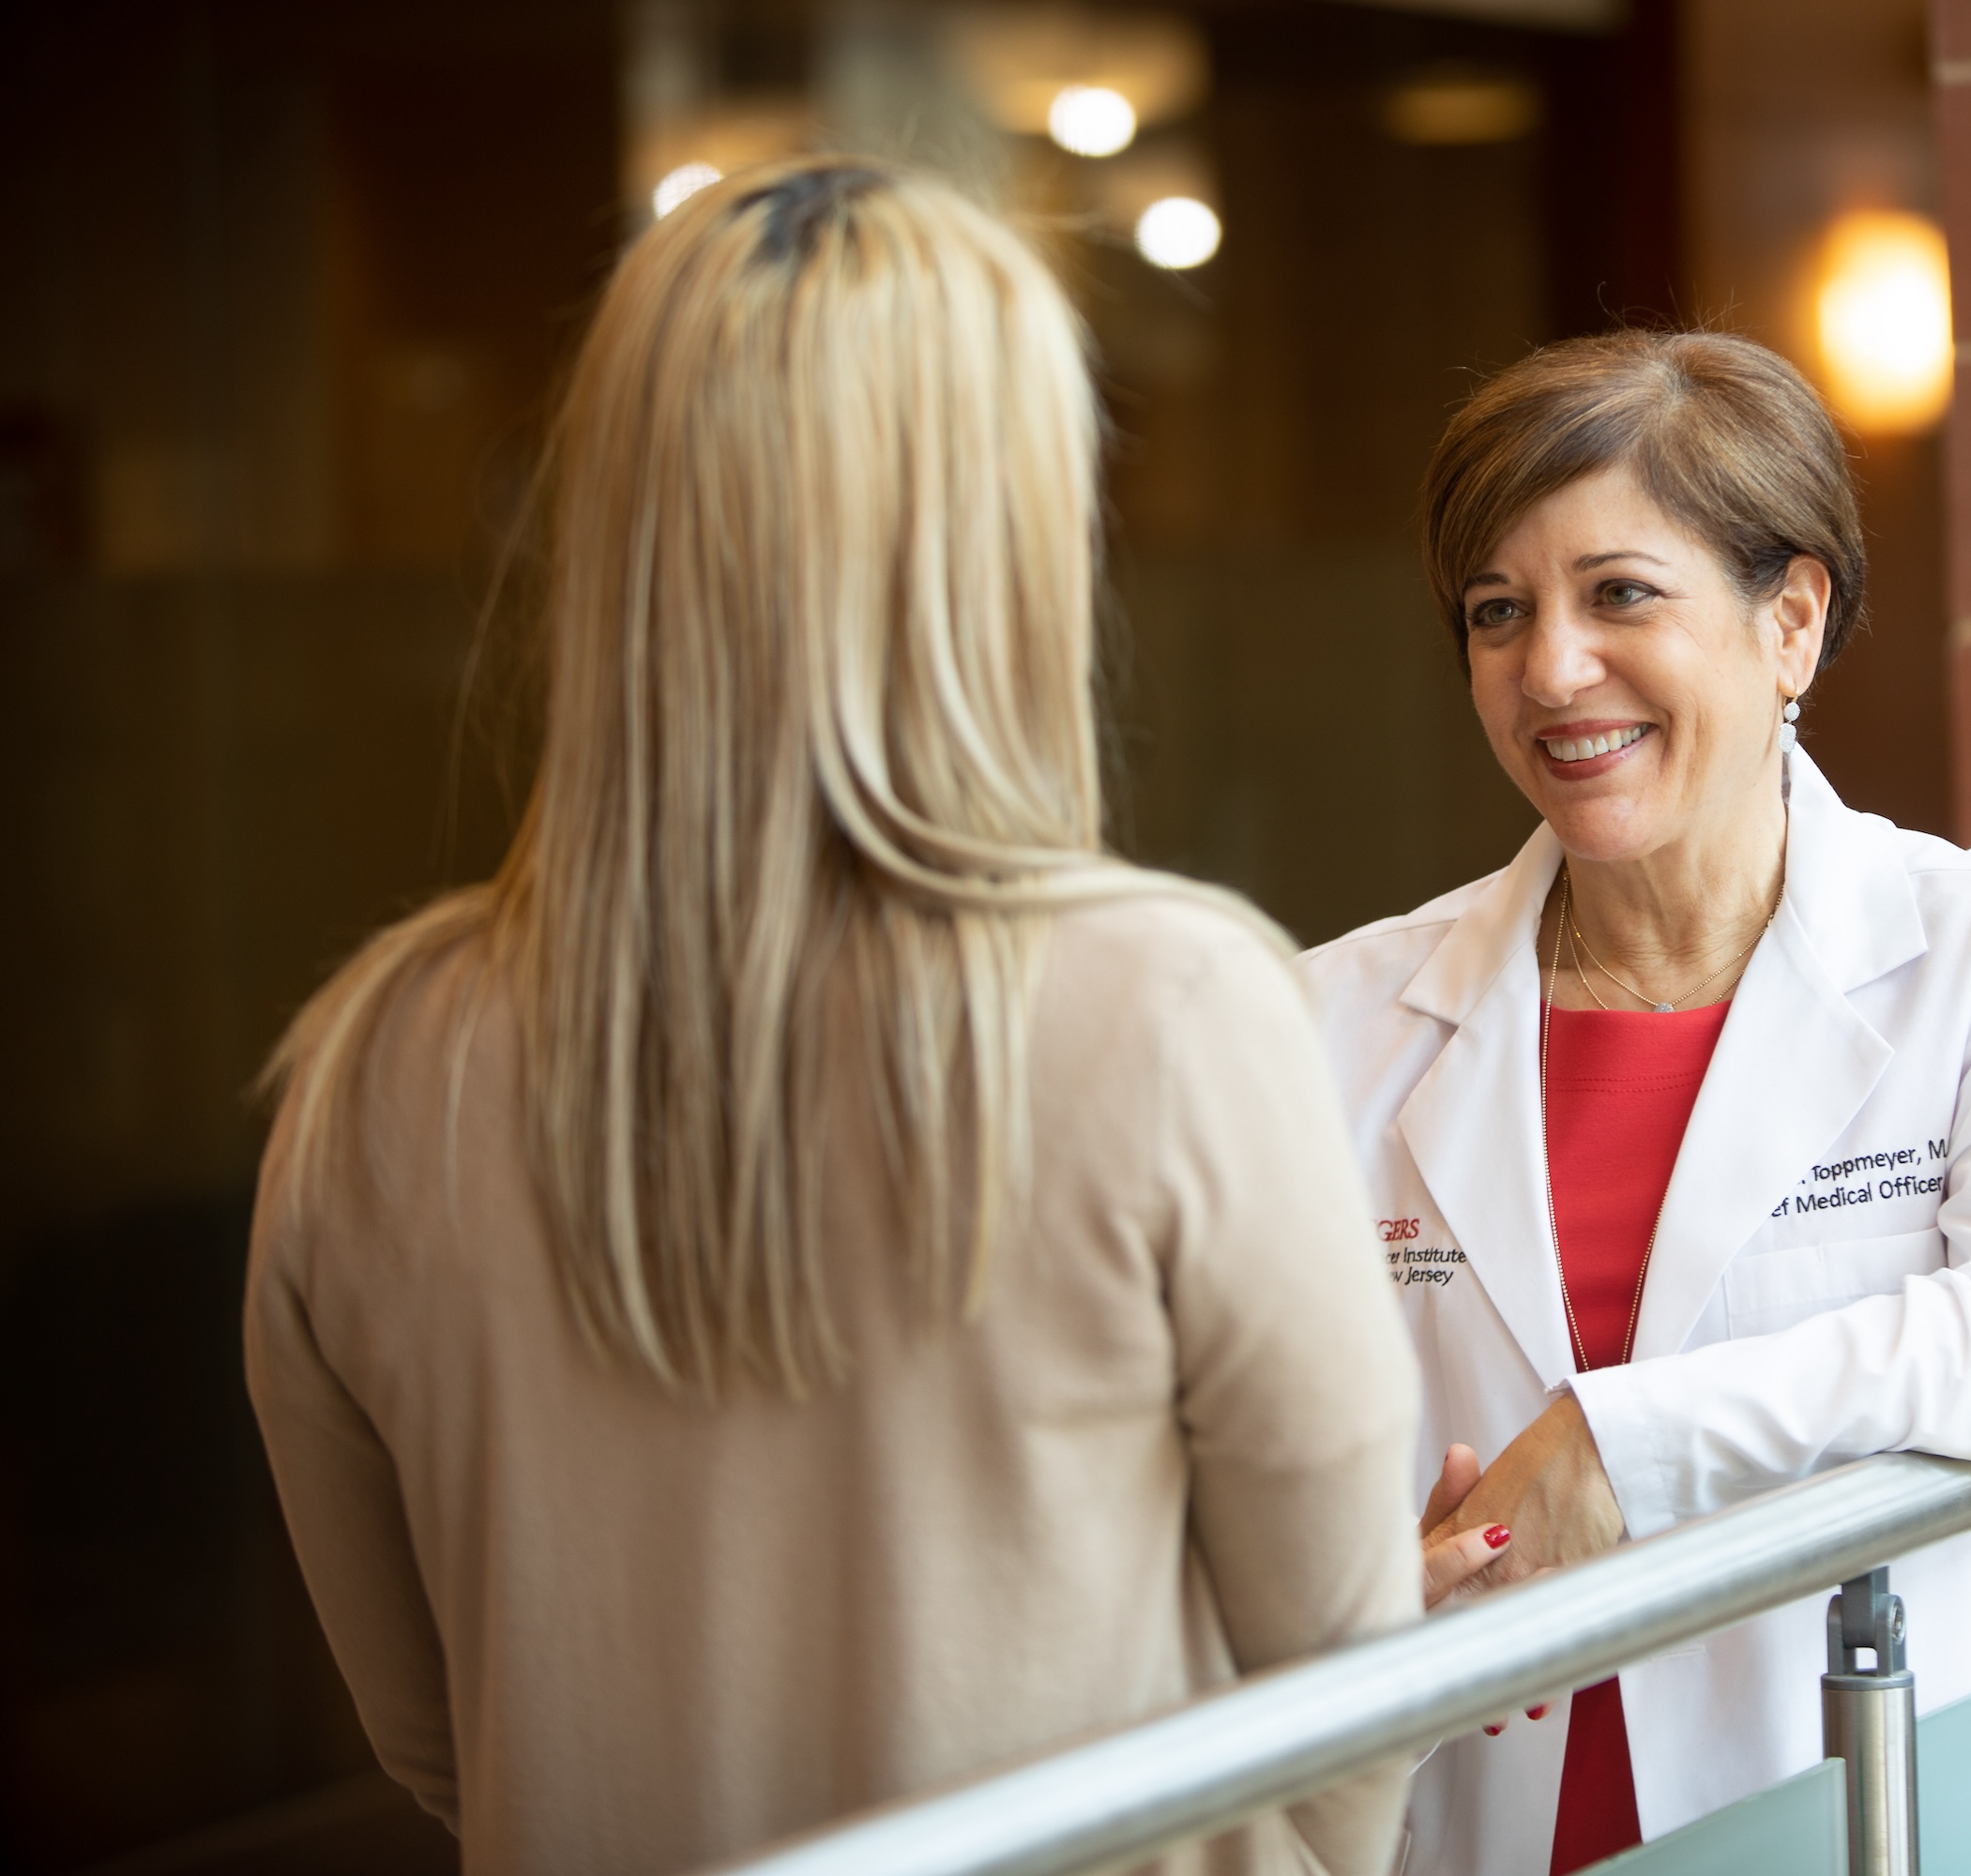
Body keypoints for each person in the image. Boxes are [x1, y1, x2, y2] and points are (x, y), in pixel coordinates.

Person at [244, 159, 1423, 1876]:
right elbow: (1347, 1713)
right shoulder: (1170, 1011)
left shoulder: (365, 1072)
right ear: (1007, 532)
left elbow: (442, 1741)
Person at [1300, 330, 1971, 1876]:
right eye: (1497, 612)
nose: (1550, 669)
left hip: (1865, 1821)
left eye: (1619, 594)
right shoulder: (1338, 1015)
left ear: (1791, 622)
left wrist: (1618, 1449)